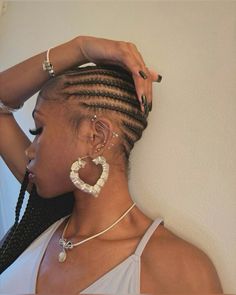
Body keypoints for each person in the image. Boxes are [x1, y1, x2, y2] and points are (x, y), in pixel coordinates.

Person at [0, 36, 222, 294]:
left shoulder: (179, 271)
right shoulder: (45, 219)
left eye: (38, 129)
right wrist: (80, 48)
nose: (30, 148)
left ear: (96, 137)